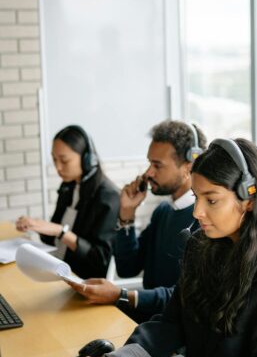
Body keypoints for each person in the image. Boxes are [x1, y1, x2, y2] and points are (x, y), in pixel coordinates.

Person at [54, 139, 257, 357]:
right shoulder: (203, 245)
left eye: (212, 200)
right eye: (196, 197)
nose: (197, 212)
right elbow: (173, 320)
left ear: (249, 198)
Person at [68, 121, 206, 324]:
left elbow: (182, 297)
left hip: (175, 331)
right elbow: (127, 267)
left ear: (189, 167)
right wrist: (126, 214)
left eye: (157, 165)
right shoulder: (163, 211)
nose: (148, 173)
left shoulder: (204, 222)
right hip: (148, 324)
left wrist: (119, 295)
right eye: (150, 163)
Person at [16, 125, 120, 279]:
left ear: (86, 159)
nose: (58, 167)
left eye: (64, 160)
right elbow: (51, 239)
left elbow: (100, 259)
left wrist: (61, 232)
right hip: (56, 269)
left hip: (81, 279)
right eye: (54, 159)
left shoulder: (108, 196)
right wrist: (37, 226)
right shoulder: (68, 187)